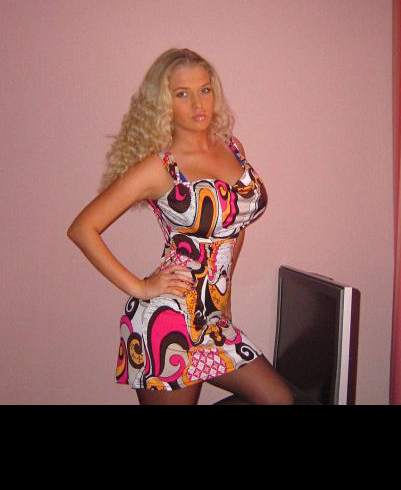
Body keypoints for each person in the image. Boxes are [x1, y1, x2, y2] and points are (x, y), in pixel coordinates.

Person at [67, 48, 293, 405]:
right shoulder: (159, 167)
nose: (198, 103)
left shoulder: (232, 148)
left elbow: (235, 226)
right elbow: (82, 228)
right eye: (182, 94)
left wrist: (225, 298)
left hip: (213, 319)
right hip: (168, 320)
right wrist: (141, 287)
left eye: (205, 89)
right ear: (163, 103)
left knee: (279, 399)